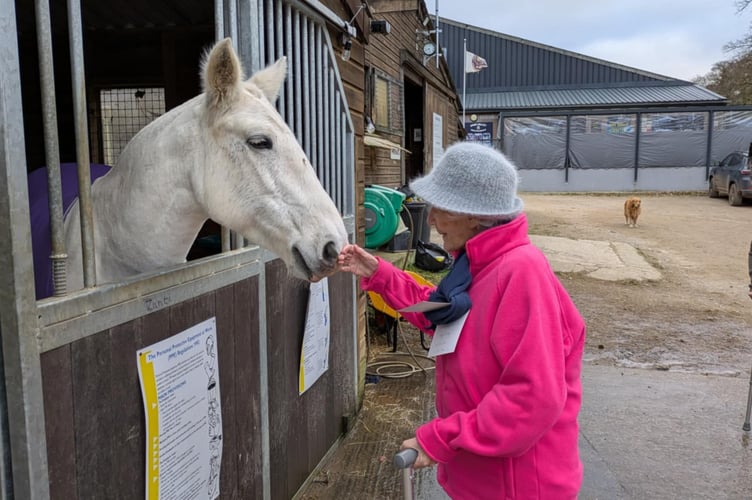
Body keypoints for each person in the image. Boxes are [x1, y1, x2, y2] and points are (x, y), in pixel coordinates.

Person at [338, 142, 586, 499]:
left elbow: (532, 398)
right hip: (483, 478)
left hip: (517, 486)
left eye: (440, 207)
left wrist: (442, 437)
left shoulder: (521, 272)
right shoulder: (477, 264)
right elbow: (442, 315)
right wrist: (379, 273)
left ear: (473, 214)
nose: (433, 219)